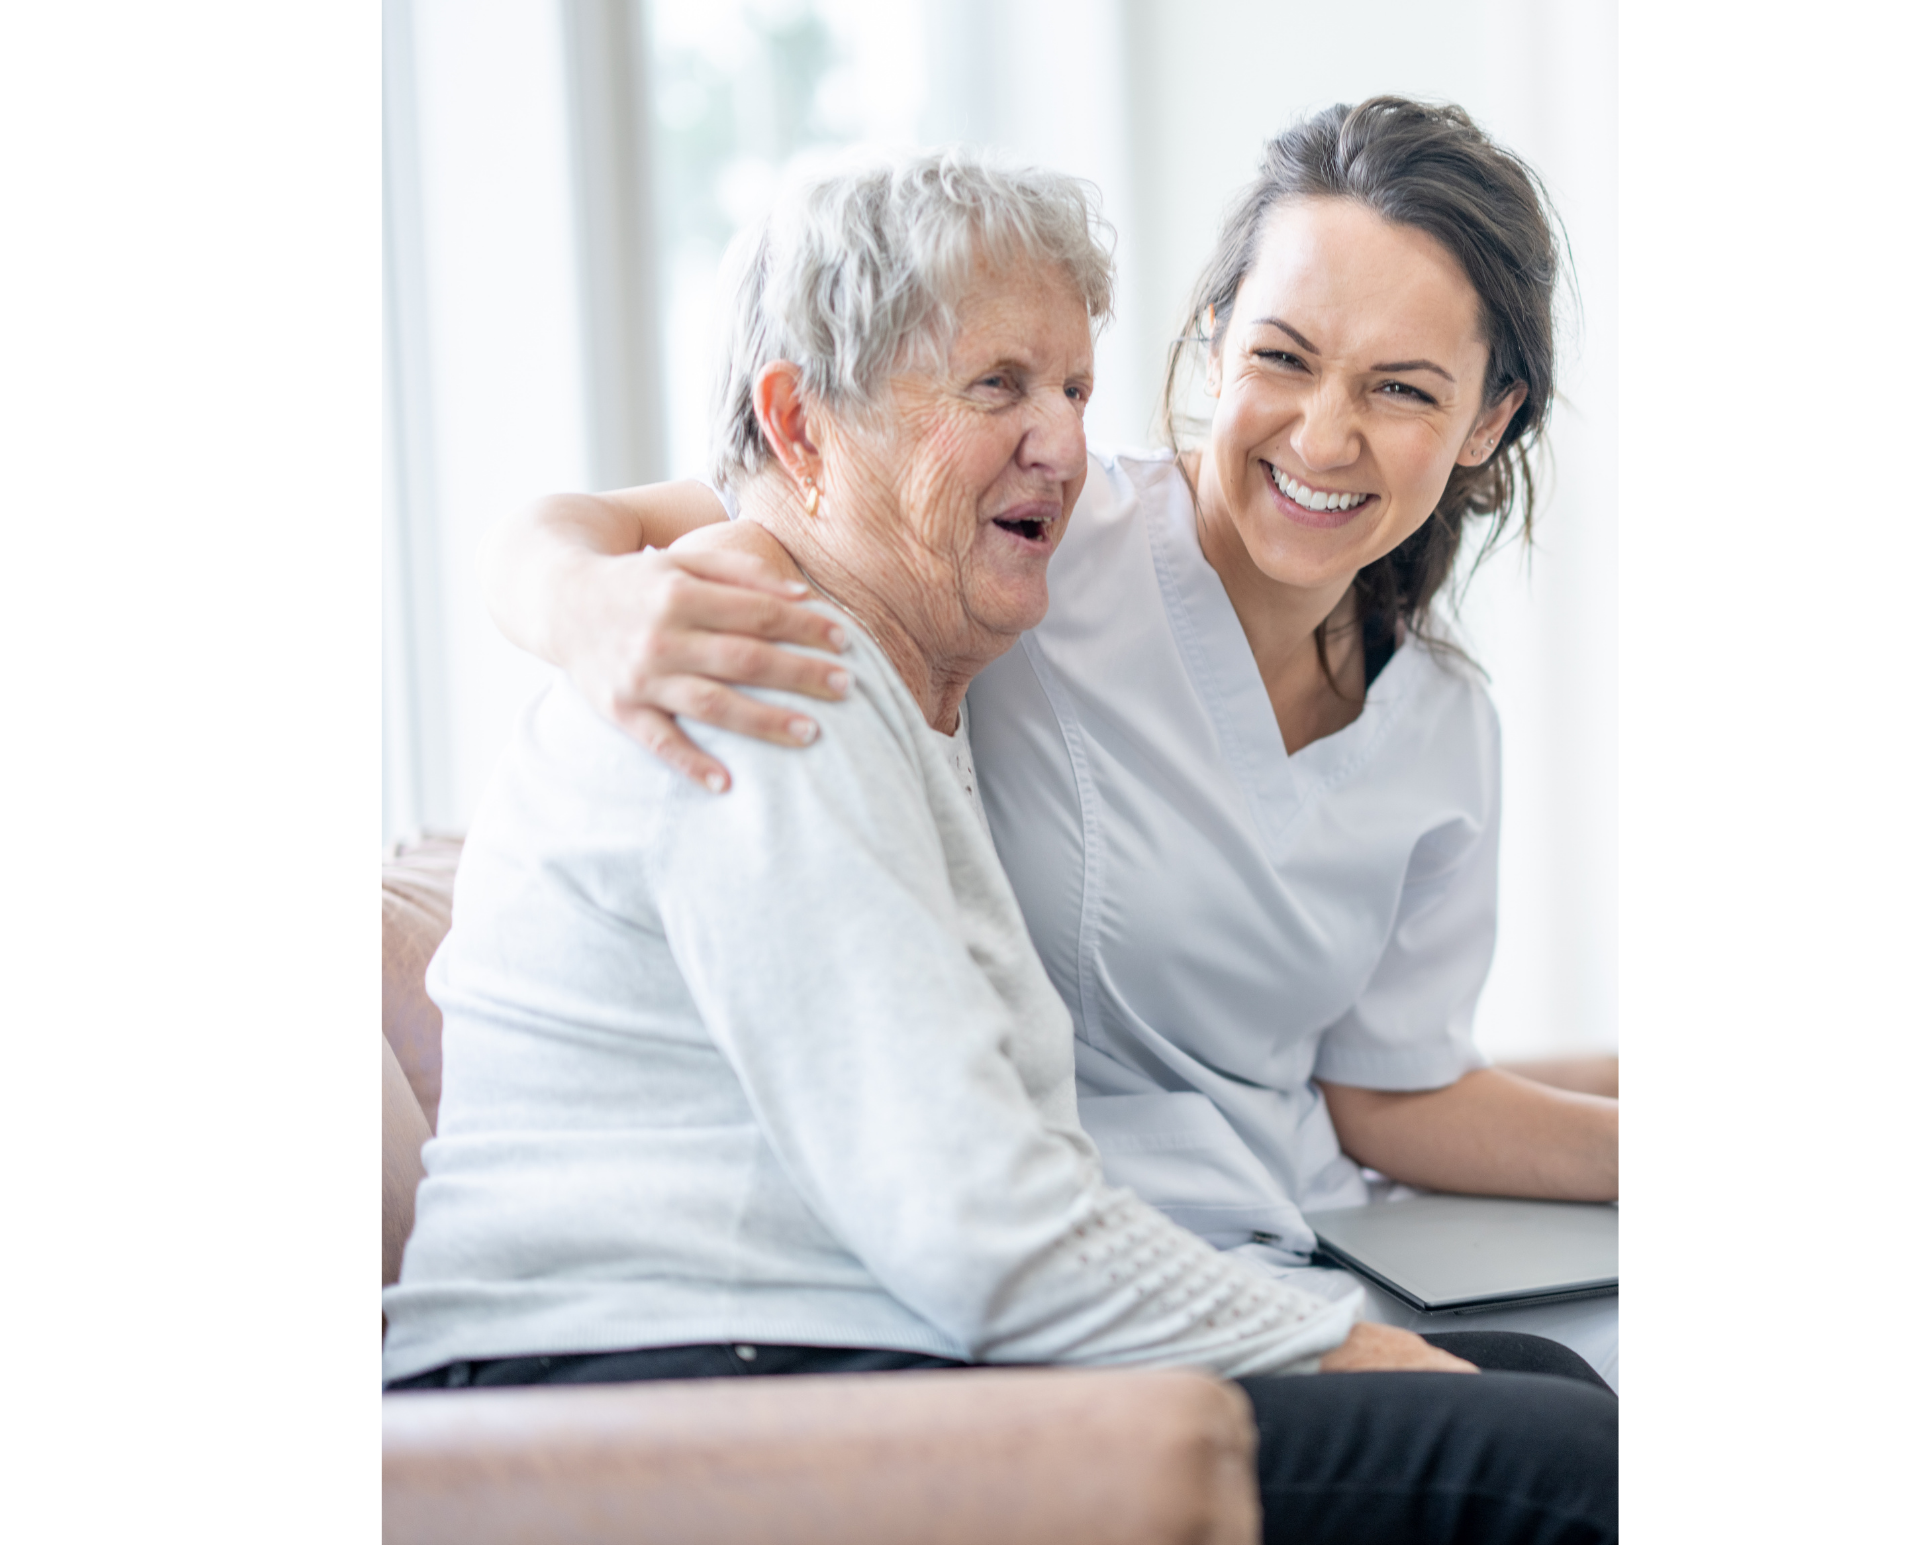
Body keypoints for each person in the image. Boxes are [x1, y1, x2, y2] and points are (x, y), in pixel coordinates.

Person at [396, 147, 1617, 1544]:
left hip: (880, 1333)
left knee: (1558, 1389)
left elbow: (1387, 1086)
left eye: (1074, 391)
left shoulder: (934, 653)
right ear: (804, 429)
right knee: (1577, 1459)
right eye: (997, 387)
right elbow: (980, 1226)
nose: (1061, 442)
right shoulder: (759, 654)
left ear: (1485, 419)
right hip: (696, 1372)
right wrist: (574, 598)